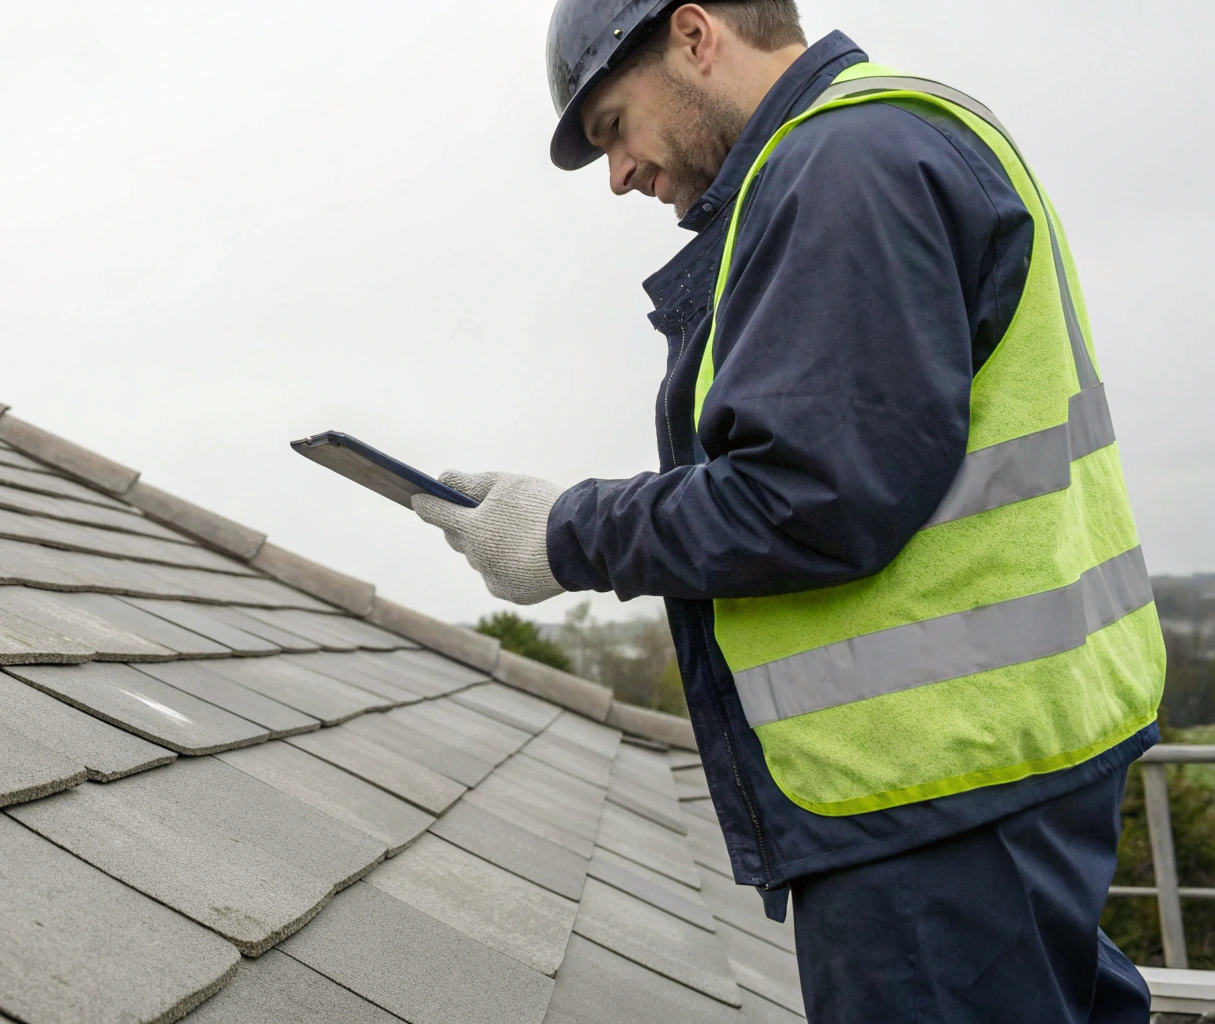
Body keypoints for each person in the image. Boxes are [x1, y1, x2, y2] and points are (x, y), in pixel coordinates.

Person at [409, 2, 1166, 1021]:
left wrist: (563, 532)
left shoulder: (841, 165)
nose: (619, 173)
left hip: (928, 800)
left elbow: (810, 497)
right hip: (990, 780)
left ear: (692, 37)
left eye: (611, 127)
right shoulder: (886, 137)